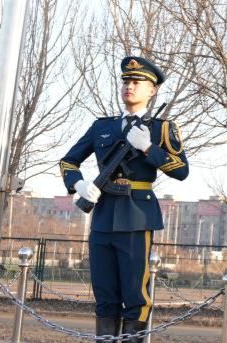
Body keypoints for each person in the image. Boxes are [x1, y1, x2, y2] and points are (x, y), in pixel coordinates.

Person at [59, 56, 189, 338]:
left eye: (137, 82)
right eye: (126, 81)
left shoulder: (161, 128)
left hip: (136, 217)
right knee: (105, 296)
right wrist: (78, 184)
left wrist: (148, 148)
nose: (129, 86)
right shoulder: (101, 127)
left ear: (152, 90)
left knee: (135, 297)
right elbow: (68, 161)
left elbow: (181, 171)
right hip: (103, 215)